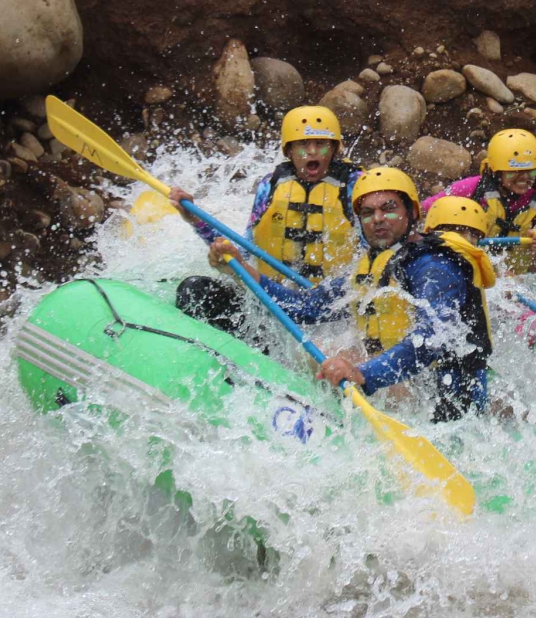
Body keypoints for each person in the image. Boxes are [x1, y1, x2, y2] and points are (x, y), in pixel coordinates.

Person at [238, 169, 497, 423]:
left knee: (337, 357)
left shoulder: (433, 267)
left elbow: (431, 340)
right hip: (398, 384)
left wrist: (363, 373)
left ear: (412, 212)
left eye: (389, 209)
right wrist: (240, 270)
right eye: (368, 213)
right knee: (319, 351)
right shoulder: (372, 263)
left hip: (445, 400)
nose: (378, 219)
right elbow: (306, 308)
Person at [169, 106, 359, 333]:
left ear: (334, 148)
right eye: (302, 144)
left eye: (321, 144)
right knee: (194, 290)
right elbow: (243, 250)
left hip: (327, 312)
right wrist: (195, 220)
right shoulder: (271, 186)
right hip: (271, 300)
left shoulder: (355, 188)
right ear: (289, 150)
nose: (312, 152)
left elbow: (371, 261)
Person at [422, 129, 536, 261]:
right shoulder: (471, 188)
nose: (524, 177)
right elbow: (424, 210)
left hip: (515, 277)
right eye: (514, 172)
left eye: (531, 171)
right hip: (471, 267)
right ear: (496, 172)